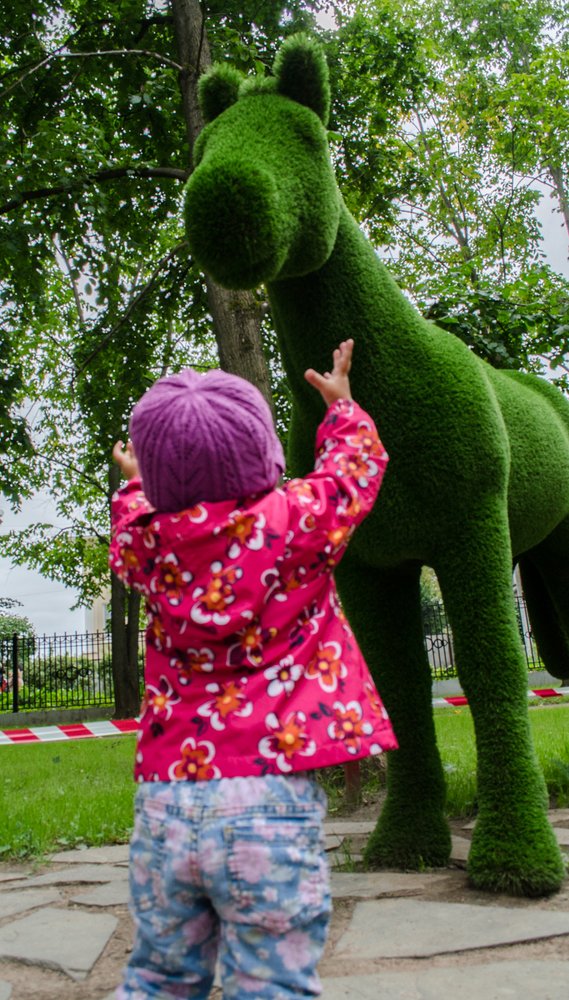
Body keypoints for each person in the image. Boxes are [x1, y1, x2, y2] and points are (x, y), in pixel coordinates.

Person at [110, 339, 397, 1000]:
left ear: (157, 476)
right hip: (269, 798)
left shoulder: (147, 543)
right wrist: (343, 409)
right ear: (261, 452)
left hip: (166, 800)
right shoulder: (297, 522)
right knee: (270, 982)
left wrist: (133, 485)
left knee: (157, 975)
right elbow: (352, 474)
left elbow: (128, 522)